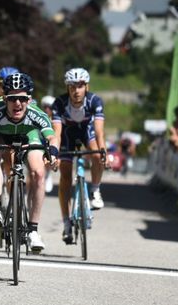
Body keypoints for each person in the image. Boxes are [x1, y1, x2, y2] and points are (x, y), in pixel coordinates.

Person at [0, 72, 58, 251]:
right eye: (12, 98)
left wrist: (53, 152)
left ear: (29, 99)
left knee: (38, 172)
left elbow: (51, 136)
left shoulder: (36, 113)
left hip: (28, 133)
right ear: (4, 99)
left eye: (22, 98)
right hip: (0, 134)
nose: (17, 103)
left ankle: (33, 230)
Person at [52, 68, 109, 244]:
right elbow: (57, 133)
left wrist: (103, 150)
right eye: (72, 87)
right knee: (66, 176)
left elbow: (99, 132)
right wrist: (54, 153)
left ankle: (95, 190)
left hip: (87, 132)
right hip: (67, 136)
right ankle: (66, 222)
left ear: (87, 86)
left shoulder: (94, 101)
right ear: (67, 88)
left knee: (97, 154)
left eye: (80, 86)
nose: (76, 91)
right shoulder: (59, 103)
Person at [40, 95, 56, 193]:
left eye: (49, 107)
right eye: (45, 107)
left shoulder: (55, 120)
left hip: (49, 144)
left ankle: (48, 174)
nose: (47, 109)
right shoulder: (39, 117)